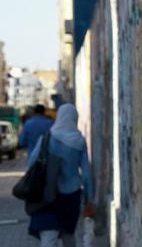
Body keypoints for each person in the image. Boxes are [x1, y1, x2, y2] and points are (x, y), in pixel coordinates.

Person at [27, 104, 94, 247]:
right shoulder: (79, 141)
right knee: (68, 237)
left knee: (48, 237)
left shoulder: (47, 137)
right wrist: (88, 198)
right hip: (71, 197)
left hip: (48, 195)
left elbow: (31, 163)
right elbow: (87, 175)